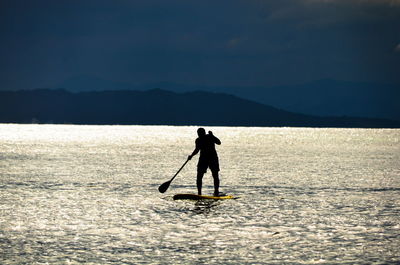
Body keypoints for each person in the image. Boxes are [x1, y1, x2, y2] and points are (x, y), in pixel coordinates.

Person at [188, 128, 221, 196]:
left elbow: (219, 142)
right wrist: (191, 155)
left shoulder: (210, 137)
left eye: (200, 133)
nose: (199, 135)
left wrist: (213, 136)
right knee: (199, 176)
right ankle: (199, 193)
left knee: (215, 175)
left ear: (204, 133)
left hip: (213, 158)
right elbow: (197, 150)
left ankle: (216, 191)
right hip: (203, 159)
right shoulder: (198, 140)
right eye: (198, 133)